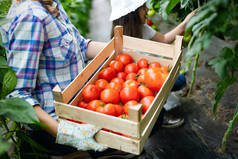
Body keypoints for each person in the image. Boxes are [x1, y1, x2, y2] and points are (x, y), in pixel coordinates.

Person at [0, 0, 109, 157]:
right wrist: (66, 134)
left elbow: (81, 46)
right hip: (54, 127)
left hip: (76, 110)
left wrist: (123, 47)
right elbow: (18, 95)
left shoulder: (50, 4)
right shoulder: (31, 17)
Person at [109, 0, 197, 128]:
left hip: (147, 77)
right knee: (153, 97)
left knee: (179, 80)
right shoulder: (118, 39)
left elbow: (165, 39)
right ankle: (159, 115)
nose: (147, 11)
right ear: (132, 14)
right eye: (143, 8)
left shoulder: (143, 29)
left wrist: (184, 24)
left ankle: (158, 108)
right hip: (131, 84)